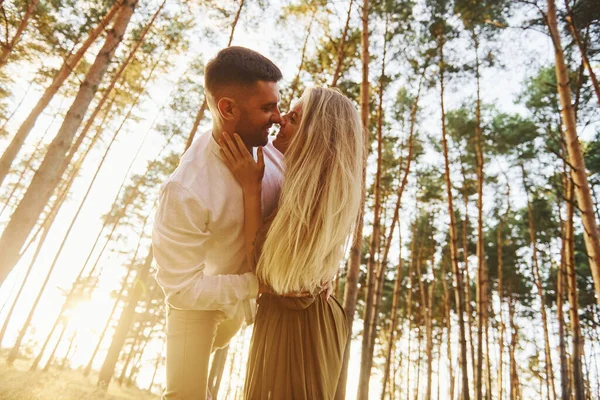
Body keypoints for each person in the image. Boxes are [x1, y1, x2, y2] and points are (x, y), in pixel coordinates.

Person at [152, 46, 285, 400]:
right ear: (228, 108)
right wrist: (257, 284)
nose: (277, 116)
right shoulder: (185, 190)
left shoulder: (271, 152)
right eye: (267, 107)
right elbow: (180, 290)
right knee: (186, 396)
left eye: (277, 104)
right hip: (197, 305)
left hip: (245, 306)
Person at [219, 86, 365, 399]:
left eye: (295, 118)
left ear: (316, 135)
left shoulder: (313, 199)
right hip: (312, 320)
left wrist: (249, 188)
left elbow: (266, 274)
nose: (281, 119)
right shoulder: (306, 186)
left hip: (298, 331)